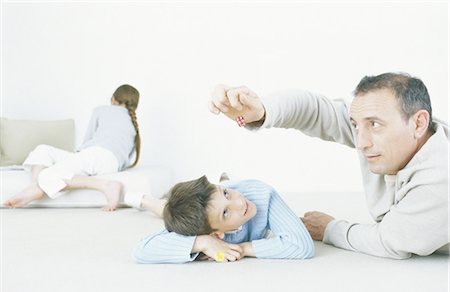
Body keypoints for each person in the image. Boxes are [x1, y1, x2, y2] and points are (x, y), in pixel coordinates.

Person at [209, 72, 449, 259]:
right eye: (355, 125)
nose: (361, 142)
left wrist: (330, 229)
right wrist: (261, 110)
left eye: (375, 124)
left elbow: (391, 241)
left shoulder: (439, 179)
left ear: (419, 123)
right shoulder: (392, 136)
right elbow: (315, 111)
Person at [3, 84, 141, 211]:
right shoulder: (134, 126)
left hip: (95, 155)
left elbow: (88, 138)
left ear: (113, 99)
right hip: (105, 161)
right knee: (43, 149)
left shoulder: (102, 110)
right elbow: (126, 159)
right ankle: (36, 186)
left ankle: (105, 185)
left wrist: (77, 157)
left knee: (48, 173)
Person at [132, 175, 314, 263]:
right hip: (206, 219)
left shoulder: (261, 195)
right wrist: (202, 242)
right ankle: (146, 200)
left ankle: (225, 181)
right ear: (215, 234)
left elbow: (302, 245)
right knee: (166, 210)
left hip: (232, 186)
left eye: (227, 194)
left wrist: (242, 248)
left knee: (168, 208)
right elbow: (141, 251)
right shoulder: (202, 228)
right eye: (226, 213)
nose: (240, 203)